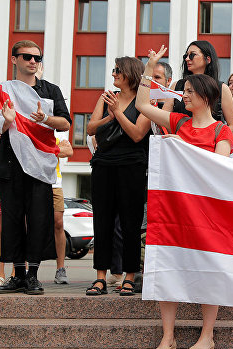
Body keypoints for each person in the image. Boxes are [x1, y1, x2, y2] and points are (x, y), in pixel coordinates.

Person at [136, 45, 233, 349]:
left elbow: (215, 171)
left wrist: (183, 148)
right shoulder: (177, 121)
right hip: (173, 211)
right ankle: (168, 336)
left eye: (189, 92)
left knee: (208, 269)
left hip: (207, 214)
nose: (184, 95)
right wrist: (149, 68)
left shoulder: (221, 131)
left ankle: (207, 336)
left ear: (205, 96)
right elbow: (142, 104)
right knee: (169, 266)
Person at [0, 40, 71, 295]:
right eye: (27, 57)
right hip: (10, 163)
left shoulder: (50, 90)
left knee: (39, 219)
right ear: (14, 60)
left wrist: (45, 119)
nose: (33, 61)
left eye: (37, 58)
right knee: (12, 219)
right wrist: (7, 122)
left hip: (40, 165)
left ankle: (33, 275)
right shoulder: (3, 90)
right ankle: (17, 274)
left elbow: (65, 123)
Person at [85, 56, 150, 296]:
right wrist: (109, 116)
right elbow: (90, 128)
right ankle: (100, 277)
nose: (113, 74)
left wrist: (118, 114)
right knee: (102, 221)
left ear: (130, 73)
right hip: (103, 164)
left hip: (132, 165)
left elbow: (136, 134)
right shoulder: (106, 97)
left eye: (117, 70)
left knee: (130, 223)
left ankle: (129, 277)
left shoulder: (144, 101)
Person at [167, 40, 233, 136]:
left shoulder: (222, 88)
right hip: (180, 146)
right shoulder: (176, 86)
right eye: (186, 56)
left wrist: (204, 137)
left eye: (192, 55)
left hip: (208, 148)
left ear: (208, 59)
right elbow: (163, 118)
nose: (187, 59)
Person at [53, 138, 74, 284]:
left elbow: (69, 151)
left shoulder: (57, 138)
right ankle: (27, 269)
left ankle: (60, 269)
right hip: (35, 182)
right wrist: (56, 150)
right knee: (30, 225)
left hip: (55, 184)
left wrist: (48, 149)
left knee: (59, 224)